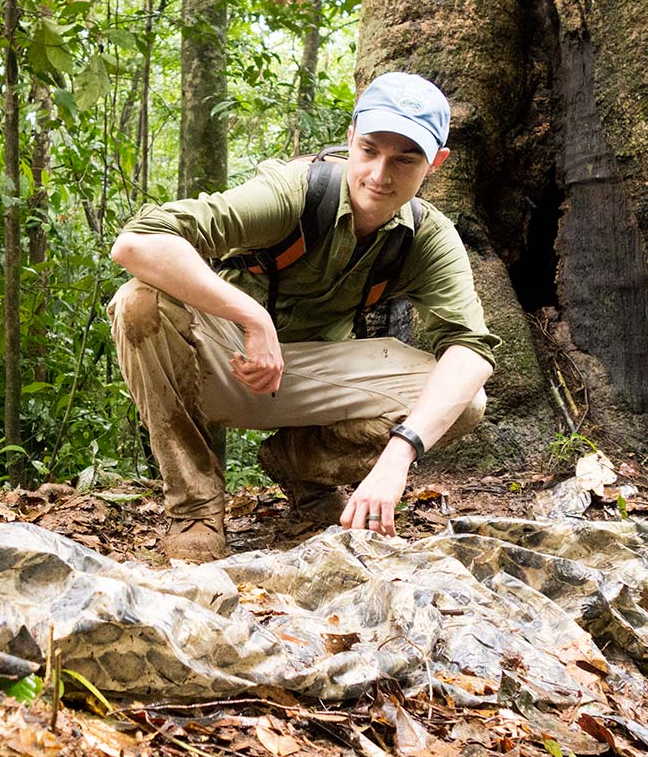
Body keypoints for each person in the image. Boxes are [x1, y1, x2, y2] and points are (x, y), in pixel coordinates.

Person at [107, 71, 498, 562]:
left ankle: (300, 466)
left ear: (435, 164)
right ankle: (196, 512)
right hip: (225, 361)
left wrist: (398, 457)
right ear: (351, 137)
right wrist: (252, 318)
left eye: (406, 158)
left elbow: (471, 351)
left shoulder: (427, 237)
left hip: (311, 379)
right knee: (138, 301)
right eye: (371, 150)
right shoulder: (295, 191)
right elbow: (137, 242)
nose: (380, 174)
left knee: (465, 399)